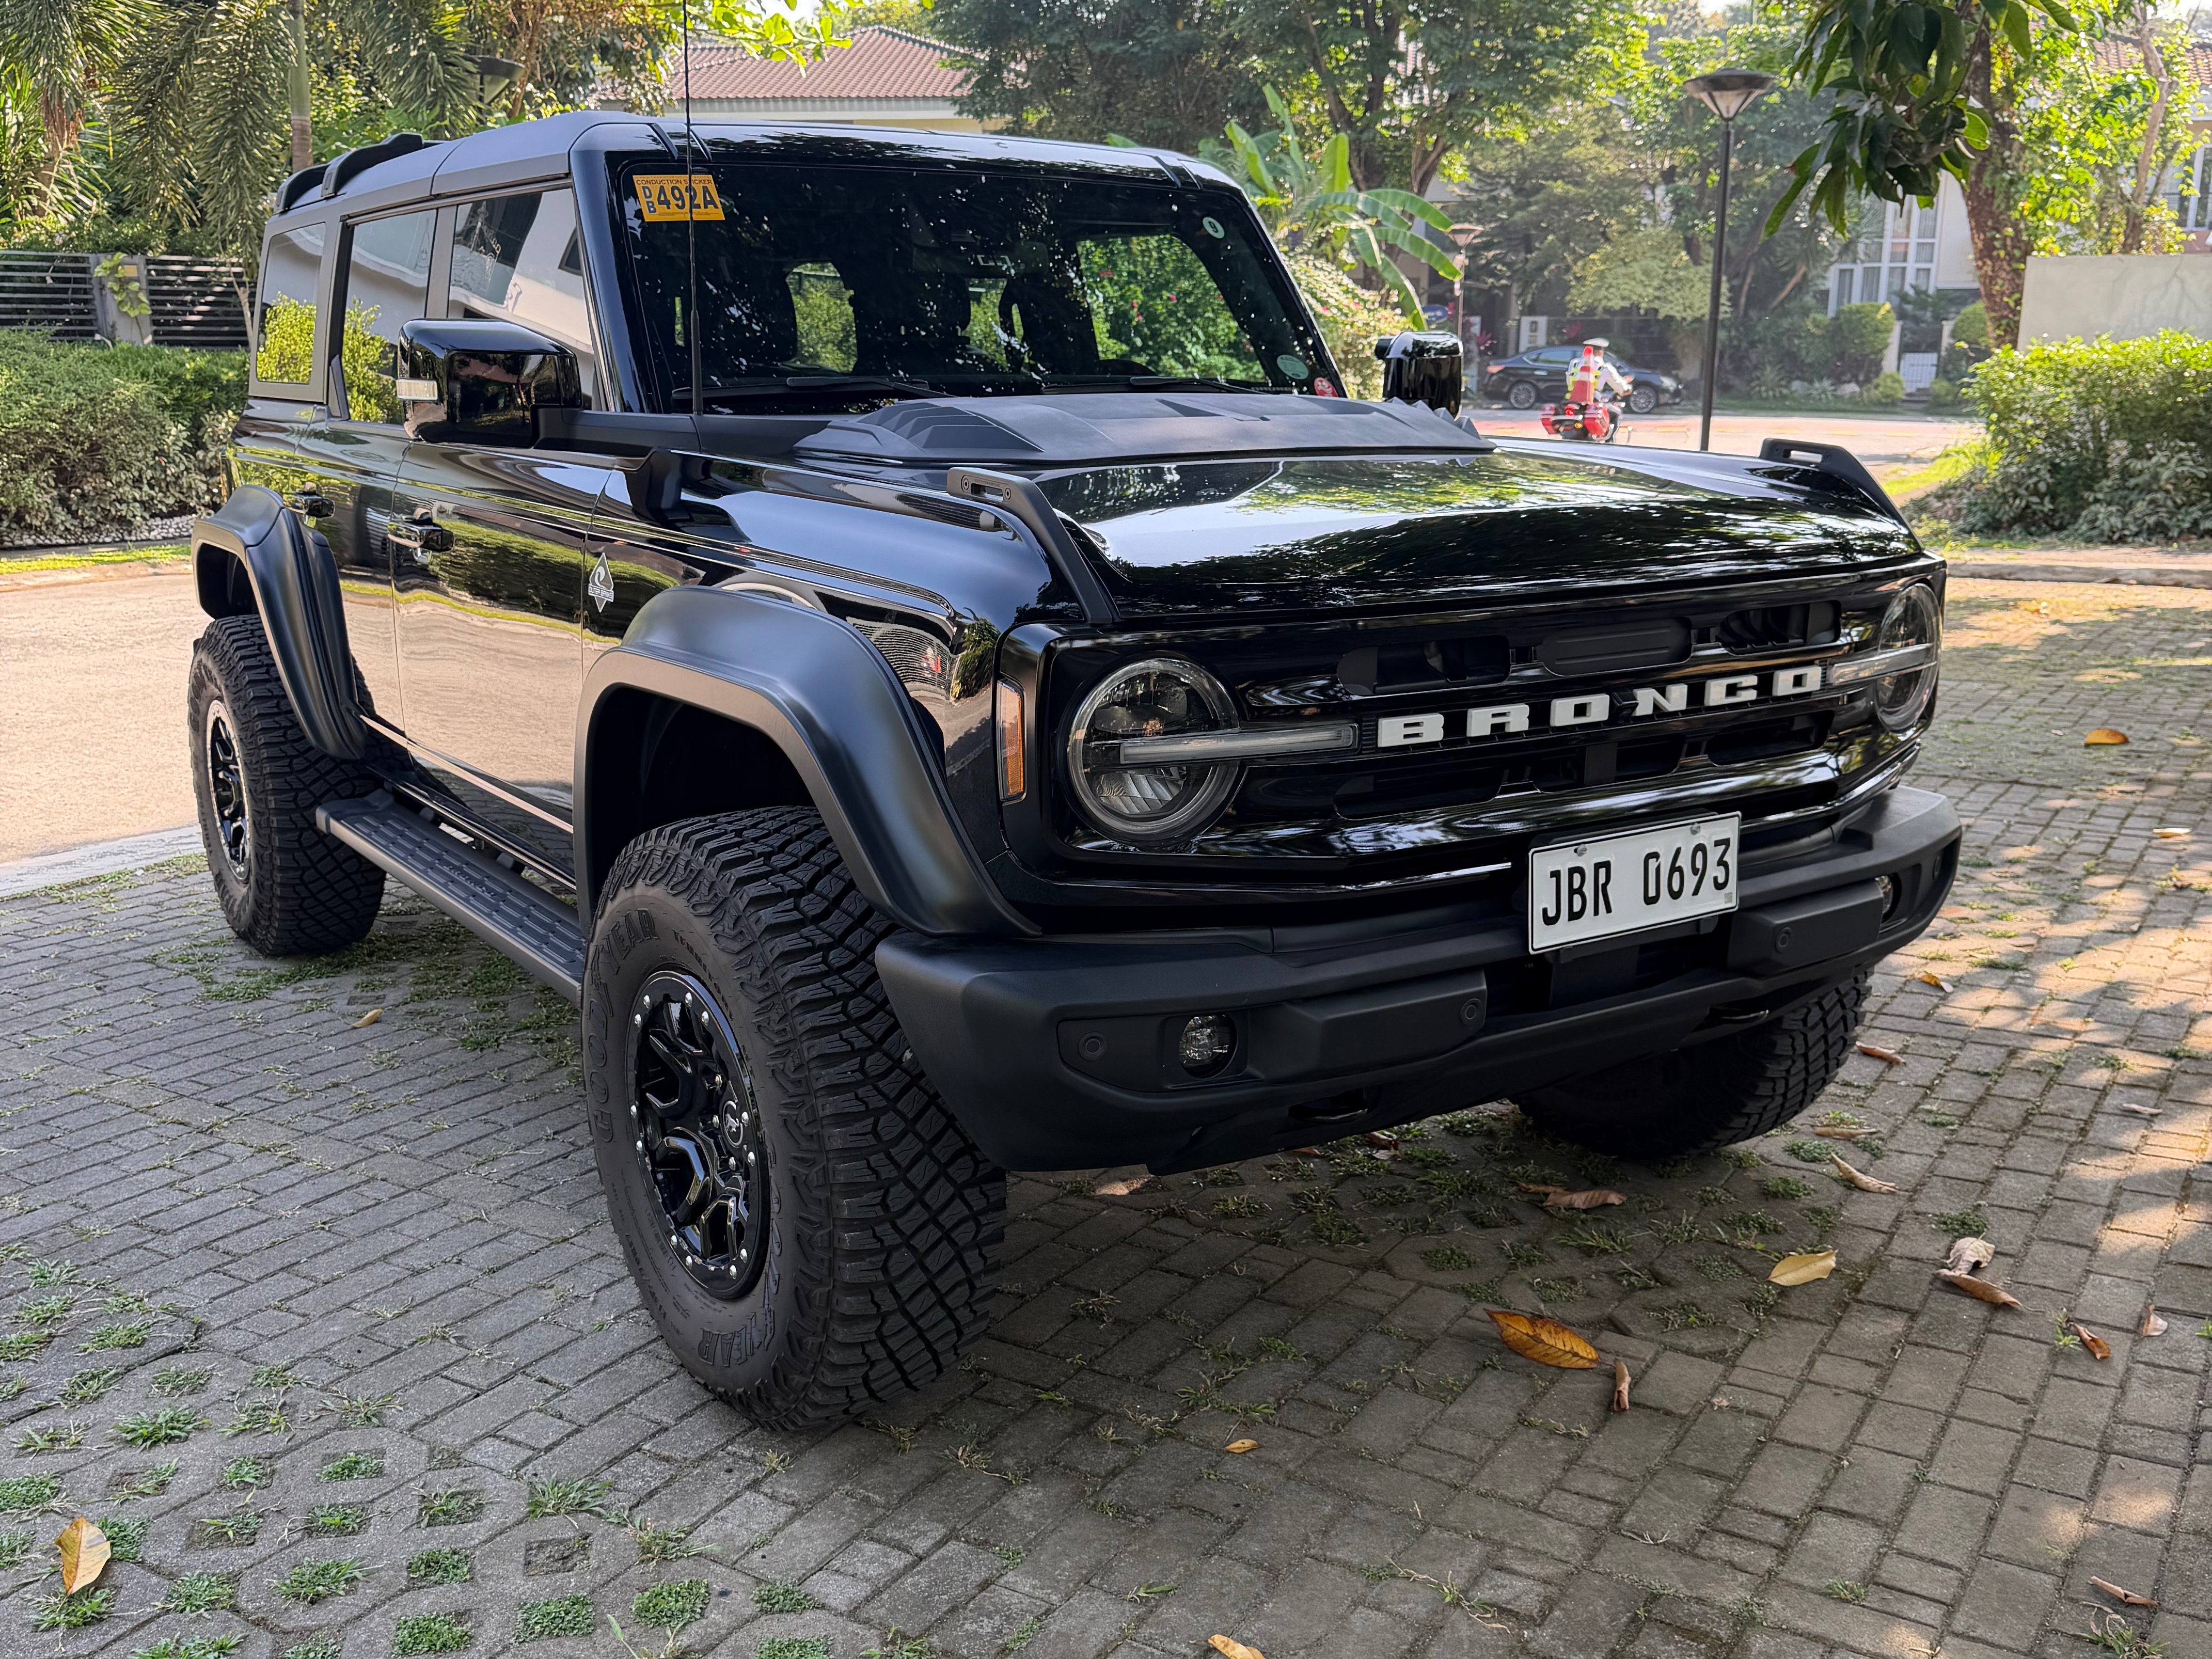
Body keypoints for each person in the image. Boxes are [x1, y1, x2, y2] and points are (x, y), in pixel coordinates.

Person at [1566, 338, 1632, 409]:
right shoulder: (1605, 367)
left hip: (1571, 400)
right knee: (1616, 412)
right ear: (1599, 352)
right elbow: (1619, 386)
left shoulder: (1574, 363)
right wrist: (1627, 388)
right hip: (1592, 402)